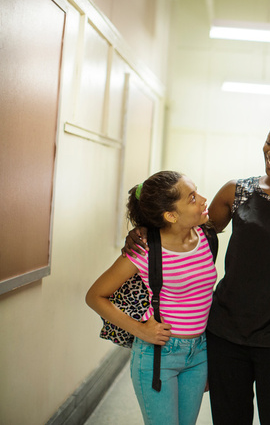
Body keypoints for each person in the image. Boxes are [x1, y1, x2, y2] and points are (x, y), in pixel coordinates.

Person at [124, 108, 270, 424]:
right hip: (226, 336)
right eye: (269, 142)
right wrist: (146, 228)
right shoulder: (235, 193)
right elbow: (188, 229)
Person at [87, 171, 218, 425]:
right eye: (192, 198)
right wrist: (141, 330)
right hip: (158, 356)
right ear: (171, 215)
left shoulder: (206, 236)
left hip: (199, 353)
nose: (203, 200)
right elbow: (95, 296)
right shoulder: (145, 249)